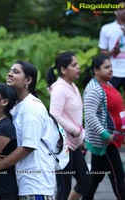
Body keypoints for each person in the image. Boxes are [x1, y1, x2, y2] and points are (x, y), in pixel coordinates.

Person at [0, 61, 56, 199]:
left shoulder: (32, 108)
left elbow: (28, 147)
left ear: (28, 80)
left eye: (16, 72)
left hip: (35, 183)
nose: (9, 74)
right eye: (10, 71)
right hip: (20, 181)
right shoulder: (16, 107)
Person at [47, 51, 91, 200]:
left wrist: (81, 136)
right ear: (63, 69)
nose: (78, 67)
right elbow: (54, 114)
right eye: (74, 65)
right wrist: (74, 131)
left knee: (85, 181)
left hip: (74, 145)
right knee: (64, 188)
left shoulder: (72, 86)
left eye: (77, 64)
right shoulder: (59, 88)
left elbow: (75, 117)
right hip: (63, 146)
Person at [83, 55, 125, 200]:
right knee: (119, 177)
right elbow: (90, 116)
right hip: (106, 143)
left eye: (111, 66)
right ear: (96, 70)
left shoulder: (108, 84)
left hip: (110, 140)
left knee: (95, 178)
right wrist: (105, 135)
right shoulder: (94, 89)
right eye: (106, 67)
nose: (111, 70)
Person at [99, 2, 125, 92]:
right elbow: (102, 51)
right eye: (121, 9)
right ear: (115, 11)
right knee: (110, 101)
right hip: (113, 71)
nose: (124, 11)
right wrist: (111, 52)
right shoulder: (106, 28)